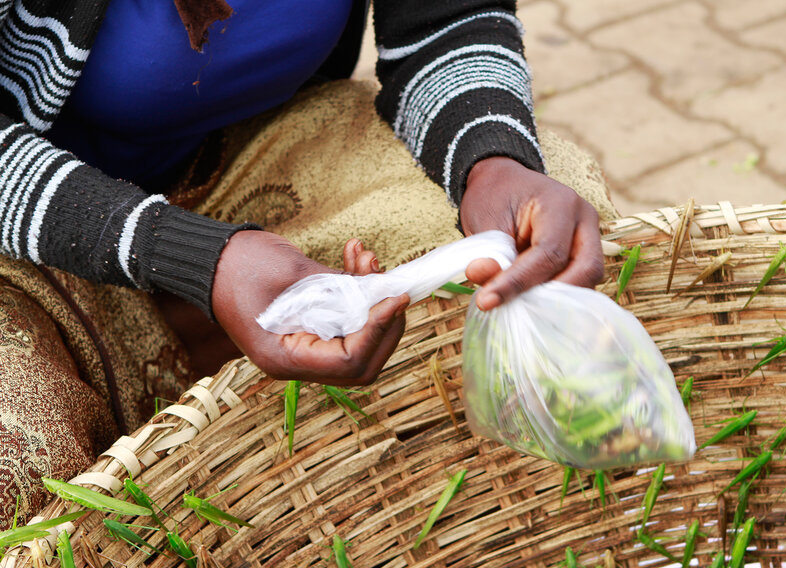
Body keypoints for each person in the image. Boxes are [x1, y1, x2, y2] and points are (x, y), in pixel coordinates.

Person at [0, 0, 615, 527]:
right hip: (27, 226)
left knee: (541, 233)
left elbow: (447, 21)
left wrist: (490, 158)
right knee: (16, 464)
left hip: (237, 155)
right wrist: (186, 255)